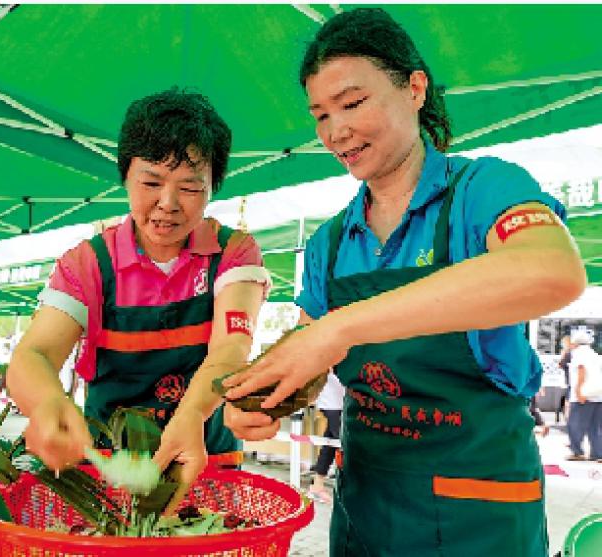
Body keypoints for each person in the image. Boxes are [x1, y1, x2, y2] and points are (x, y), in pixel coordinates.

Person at [221, 8, 586, 557]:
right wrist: (263, 397)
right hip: (366, 505)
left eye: (352, 103)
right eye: (320, 115)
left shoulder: (484, 189)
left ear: (414, 88)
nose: (335, 131)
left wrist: (339, 327)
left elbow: (551, 271)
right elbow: (309, 356)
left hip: (478, 511)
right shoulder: (329, 242)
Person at [8, 88, 270, 508]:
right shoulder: (88, 263)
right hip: (108, 471)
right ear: (126, 176)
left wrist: (190, 416)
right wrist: (48, 404)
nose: (167, 204)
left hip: (204, 461)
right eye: (151, 182)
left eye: (189, 187)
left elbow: (231, 347)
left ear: (211, 189)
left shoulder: (233, 253)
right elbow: (32, 355)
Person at [308, 370, 345, 504]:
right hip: (333, 404)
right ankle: (353, 491)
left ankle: (317, 487)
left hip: (339, 403)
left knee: (329, 445)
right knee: (347, 446)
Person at [566, 329, 602, 462]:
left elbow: (581, 370)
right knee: (595, 426)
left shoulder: (579, 353)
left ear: (575, 342)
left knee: (574, 424)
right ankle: (598, 454)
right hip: (598, 395)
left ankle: (577, 452)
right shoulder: (595, 354)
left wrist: (579, 391)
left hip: (584, 395)